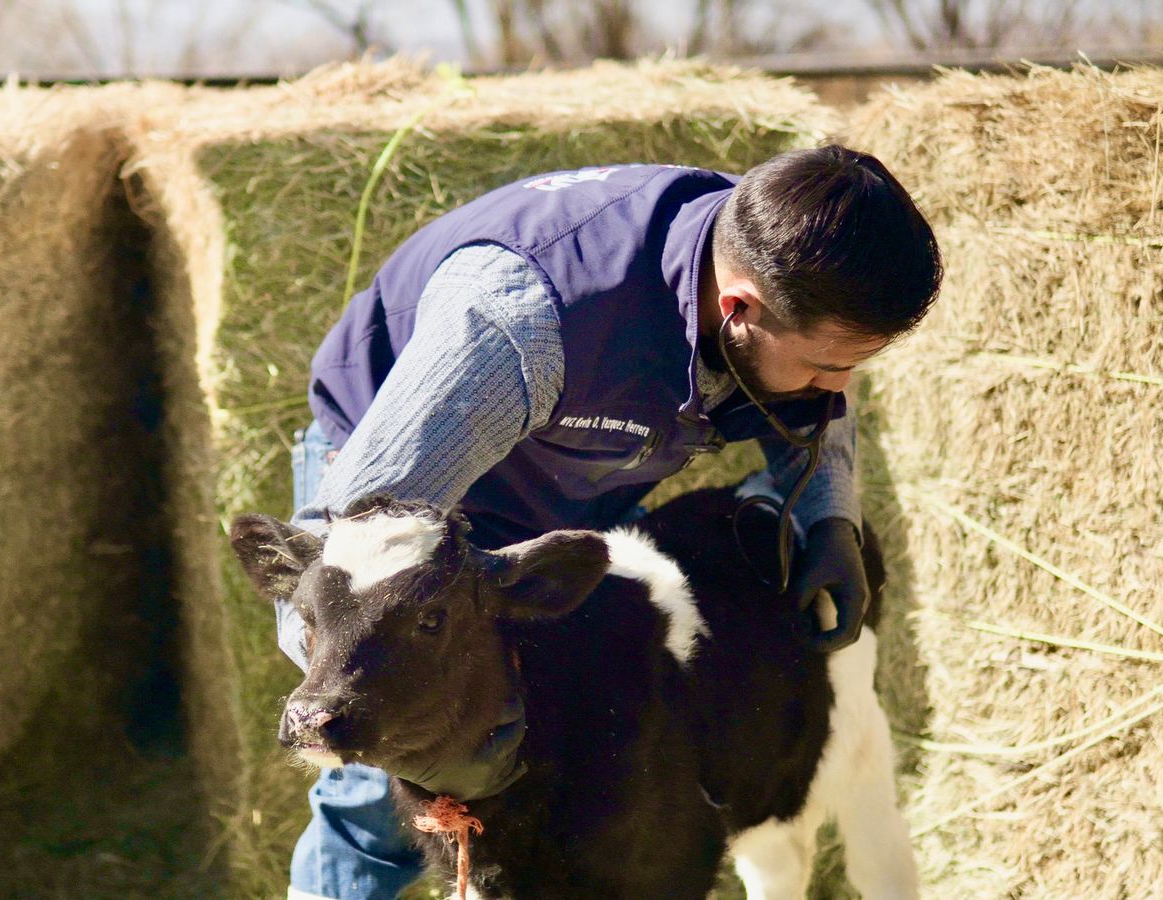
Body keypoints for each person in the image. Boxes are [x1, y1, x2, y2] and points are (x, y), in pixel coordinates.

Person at [278, 144, 942, 900]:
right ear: (739, 311)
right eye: (828, 364)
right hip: (402, 509)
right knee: (385, 774)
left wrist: (828, 515)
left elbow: (813, 405)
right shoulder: (520, 324)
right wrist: (397, 715)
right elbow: (342, 566)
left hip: (568, 496)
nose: (841, 384)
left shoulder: (781, 252)